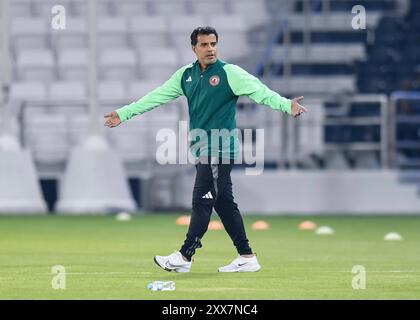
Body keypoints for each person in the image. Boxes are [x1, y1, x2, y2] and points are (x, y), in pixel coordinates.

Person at [104, 26, 307, 273]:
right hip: (203, 148)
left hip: (220, 148)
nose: (210, 49)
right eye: (204, 45)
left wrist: (287, 105)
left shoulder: (230, 73)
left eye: (213, 44)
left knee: (201, 200)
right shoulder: (185, 76)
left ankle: (184, 256)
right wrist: (124, 113)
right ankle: (247, 256)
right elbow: (155, 97)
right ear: (194, 48)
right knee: (223, 203)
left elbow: (260, 92)